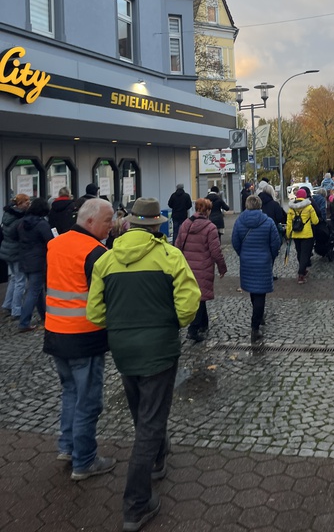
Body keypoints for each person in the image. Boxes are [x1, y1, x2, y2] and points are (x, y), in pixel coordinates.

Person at [87, 197, 200, 532]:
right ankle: (136, 503)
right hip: (160, 351)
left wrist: (121, 325)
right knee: (150, 422)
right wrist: (170, 324)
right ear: (156, 226)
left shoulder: (106, 261)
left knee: (143, 413)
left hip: (124, 351)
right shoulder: (169, 256)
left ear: (130, 225)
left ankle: (159, 456)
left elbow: (95, 313)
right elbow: (188, 304)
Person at [44, 198, 116, 480]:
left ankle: (67, 446)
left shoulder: (55, 244)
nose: (112, 225)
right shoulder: (97, 253)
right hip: (84, 336)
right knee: (88, 401)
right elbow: (106, 297)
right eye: (108, 220)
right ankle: (84, 461)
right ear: (89, 222)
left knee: (71, 393)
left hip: (55, 332)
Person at [175, 197, 227, 343]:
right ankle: (193, 330)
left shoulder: (186, 224)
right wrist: (222, 268)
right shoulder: (210, 228)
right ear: (208, 210)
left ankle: (203, 324)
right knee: (199, 298)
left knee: (199, 296)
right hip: (203, 267)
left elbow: (177, 245)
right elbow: (215, 251)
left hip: (187, 266)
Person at [232, 195, 281, 341]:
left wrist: (243, 253)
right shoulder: (268, 222)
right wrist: (270, 256)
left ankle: (258, 318)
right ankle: (255, 325)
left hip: (247, 261)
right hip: (264, 261)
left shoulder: (239, 221)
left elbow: (235, 241)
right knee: (261, 293)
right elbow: (275, 243)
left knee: (253, 291)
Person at [17, 197, 52, 332]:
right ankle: (24, 322)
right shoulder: (42, 224)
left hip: (24, 259)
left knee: (37, 290)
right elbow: (49, 240)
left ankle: (44, 315)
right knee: (34, 291)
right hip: (38, 260)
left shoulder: (21, 223)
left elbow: (14, 237)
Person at [1, 194, 30, 320]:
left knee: (14, 278)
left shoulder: (7, 215)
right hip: (16, 251)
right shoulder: (19, 218)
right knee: (20, 281)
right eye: (26, 202)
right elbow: (19, 235)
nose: (28, 204)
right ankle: (16, 310)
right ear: (19, 204)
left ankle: (7, 305)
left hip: (7, 250)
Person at [286, 188, 319, 284]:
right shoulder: (309, 207)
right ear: (305, 196)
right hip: (307, 234)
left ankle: (303, 270)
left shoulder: (291, 208)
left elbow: (288, 223)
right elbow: (315, 221)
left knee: (299, 252)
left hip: (296, 235)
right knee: (306, 254)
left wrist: (288, 235)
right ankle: (301, 274)